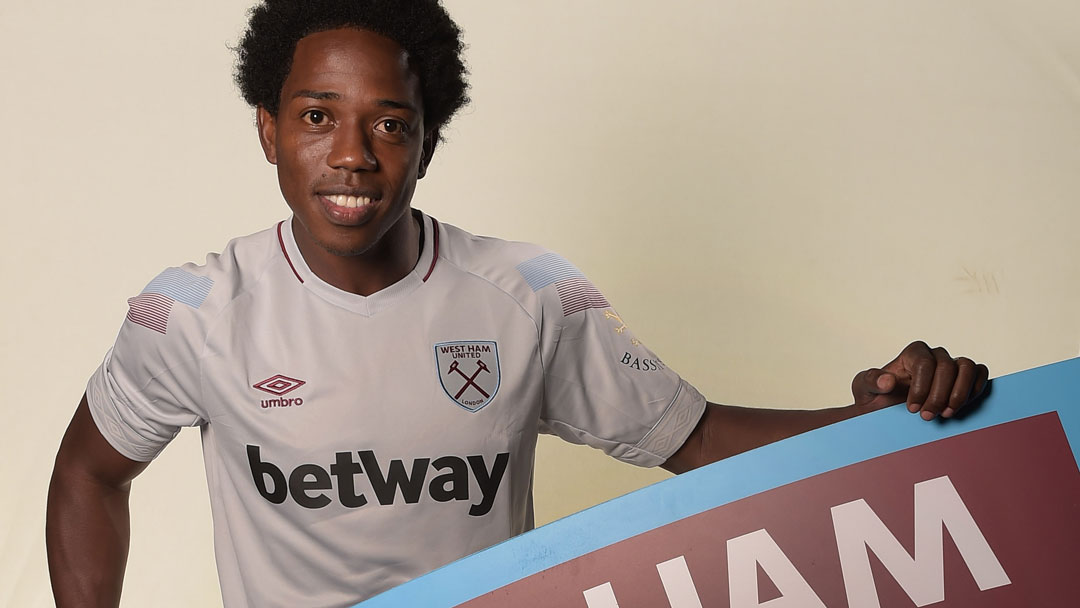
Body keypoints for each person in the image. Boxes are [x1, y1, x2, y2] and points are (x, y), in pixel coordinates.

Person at [45, 1, 989, 606]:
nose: (352, 154)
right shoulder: (195, 311)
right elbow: (88, 474)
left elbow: (695, 439)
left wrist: (873, 418)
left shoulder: (528, 295)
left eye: (391, 123)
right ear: (269, 129)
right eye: (317, 116)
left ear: (426, 144)